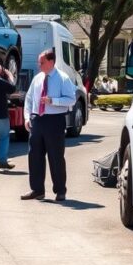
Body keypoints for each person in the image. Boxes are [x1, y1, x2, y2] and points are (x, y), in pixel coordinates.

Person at [21, 49, 77, 201]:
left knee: (56, 157)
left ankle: (60, 191)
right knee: (34, 156)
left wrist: (53, 101)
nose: (39, 65)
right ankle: (37, 190)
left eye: (42, 62)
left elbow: (71, 99)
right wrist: (27, 117)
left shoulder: (63, 78)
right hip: (37, 120)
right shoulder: (37, 78)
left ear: (51, 62)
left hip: (54, 120)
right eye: (39, 62)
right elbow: (29, 98)